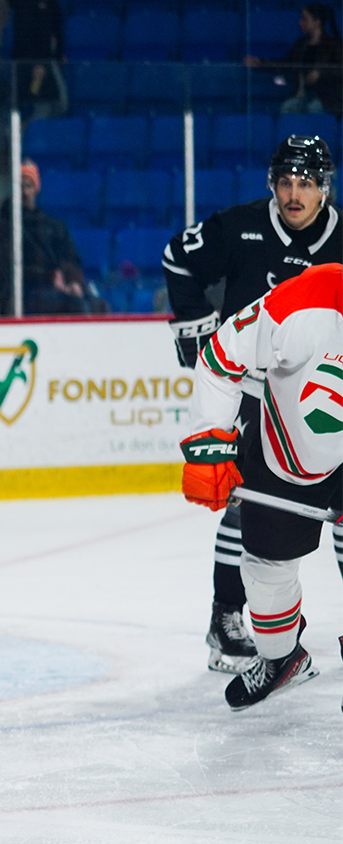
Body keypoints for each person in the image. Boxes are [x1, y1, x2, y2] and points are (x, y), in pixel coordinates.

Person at [162, 135, 341, 673]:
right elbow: (177, 258)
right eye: (285, 181)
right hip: (253, 389)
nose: (293, 193)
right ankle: (227, 616)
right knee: (247, 501)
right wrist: (194, 325)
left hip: (320, 394)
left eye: (305, 183)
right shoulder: (240, 226)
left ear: (324, 189)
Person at [179, 263, 343, 709]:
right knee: (268, 571)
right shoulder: (305, 298)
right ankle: (281, 659)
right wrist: (209, 442)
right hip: (288, 455)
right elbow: (220, 357)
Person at [0, 160, 89, 315]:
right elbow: (6, 269)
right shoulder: (6, 228)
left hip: (54, 291)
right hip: (26, 295)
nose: (25, 192)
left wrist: (73, 281)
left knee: (96, 303)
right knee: (76, 306)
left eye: (28, 186)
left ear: (36, 189)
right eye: (20, 187)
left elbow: (71, 258)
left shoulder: (53, 226)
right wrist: (49, 278)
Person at [244, 3, 343, 118]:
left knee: (314, 108)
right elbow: (286, 64)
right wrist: (260, 63)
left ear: (317, 21)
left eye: (305, 19)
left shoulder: (334, 45)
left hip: (326, 97)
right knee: (288, 107)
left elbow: (340, 70)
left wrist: (321, 73)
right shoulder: (301, 45)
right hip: (302, 95)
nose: (300, 23)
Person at [5, 0, 67, 119]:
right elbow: (24, 36)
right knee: (45, 104)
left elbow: (55, 30)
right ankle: (23, 139)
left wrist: (59, 53)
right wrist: (35, 64)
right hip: (36, 62)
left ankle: (26, 137)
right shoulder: (27, 2)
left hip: (51, 60)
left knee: (57, 103)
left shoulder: (51, 0)